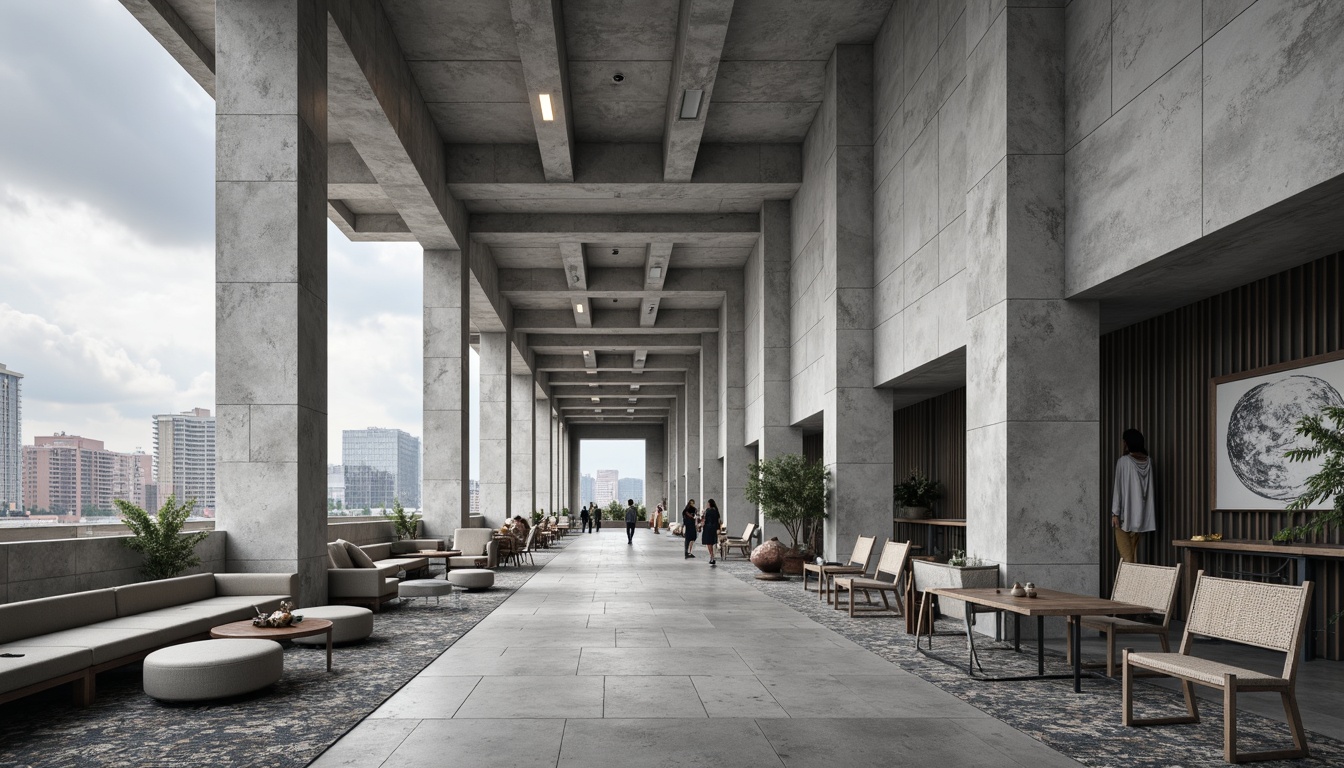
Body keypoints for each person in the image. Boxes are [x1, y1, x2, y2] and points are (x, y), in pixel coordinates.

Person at [1111, 428, 1156, 563]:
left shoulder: (1124, 462)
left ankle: (1127, 583)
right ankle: (1134, 582)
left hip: (1125, 518)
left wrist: (1115, 513)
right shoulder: (1149, 462)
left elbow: (1118, 489)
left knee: (1127, 558)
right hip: (1141, 518)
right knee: (1133, 555)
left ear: (1126, 443)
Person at [701, 499, 722, 566]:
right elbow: (718, 521)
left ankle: (712, 556)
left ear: (709, 504)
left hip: (708, 528)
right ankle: (712, 556)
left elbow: (704, 519)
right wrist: (718, 528)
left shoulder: (707, 511)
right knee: (713, 542)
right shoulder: (716, 511)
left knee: (709, 543)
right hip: (714, 528)